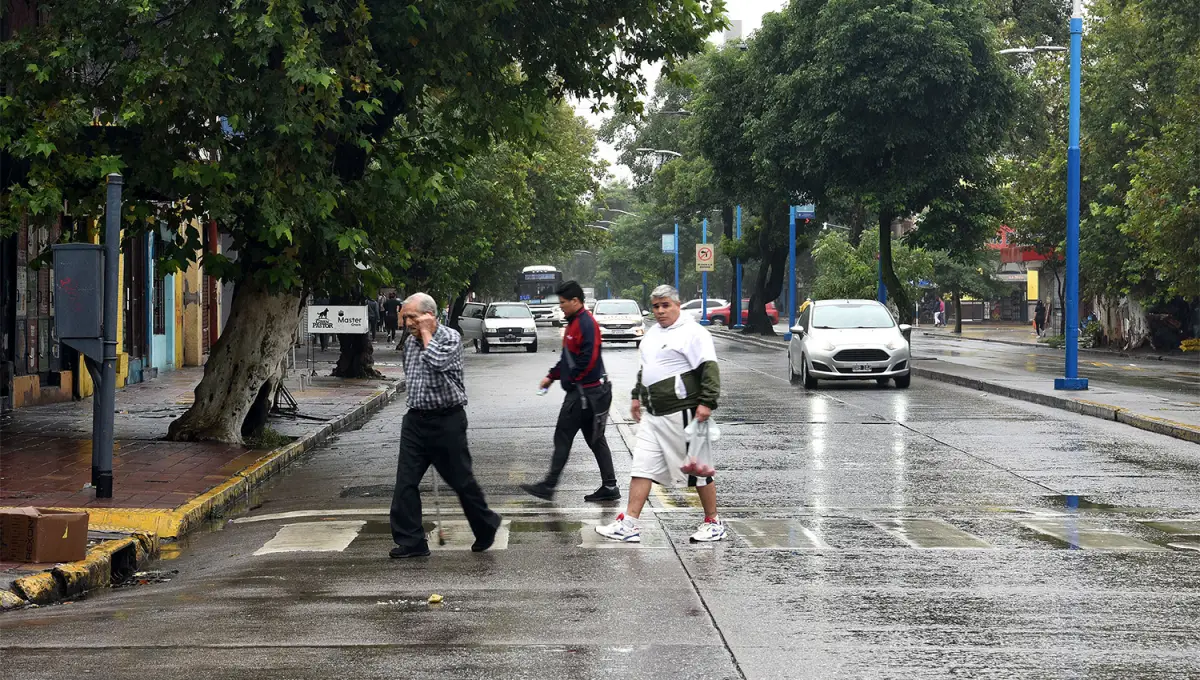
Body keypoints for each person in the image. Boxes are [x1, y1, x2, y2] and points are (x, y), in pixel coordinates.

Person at [596, 284, 725, 544]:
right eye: (656, 306)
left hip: (684, 412)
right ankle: (629, 523)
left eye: (666, 305)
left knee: (699, 471)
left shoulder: (693, 333)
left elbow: (710, 369)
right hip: (654, 414)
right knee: (641, 465)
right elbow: (647, 368)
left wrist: (707, 402)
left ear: (678, 304)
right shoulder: (653, 334)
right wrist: (636, 395)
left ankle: (713, 522)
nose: (660, 311)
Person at [388, 293, 501, 558]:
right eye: (405, 317)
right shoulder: (410, 343)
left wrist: (427, 334)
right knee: (405, 482)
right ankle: (412, 541)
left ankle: (486, 524)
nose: (407, 323)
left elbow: (437, 362)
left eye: (412, 317)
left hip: (447, 420)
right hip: (416, 420)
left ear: (430, 316)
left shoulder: (449, 337)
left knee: (461, 480)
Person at [520, 280, 619, 503]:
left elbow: (588, 358)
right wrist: (552, 376)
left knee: (563, 436)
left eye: (564, 303)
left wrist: (570, 380)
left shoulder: (586, 323)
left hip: (584, 394)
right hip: (585, 392)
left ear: (576, 301)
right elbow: (568, 359)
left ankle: (549, 485)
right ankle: (610, 486)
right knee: (596, 439)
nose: (561, 306)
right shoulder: (574, 323)